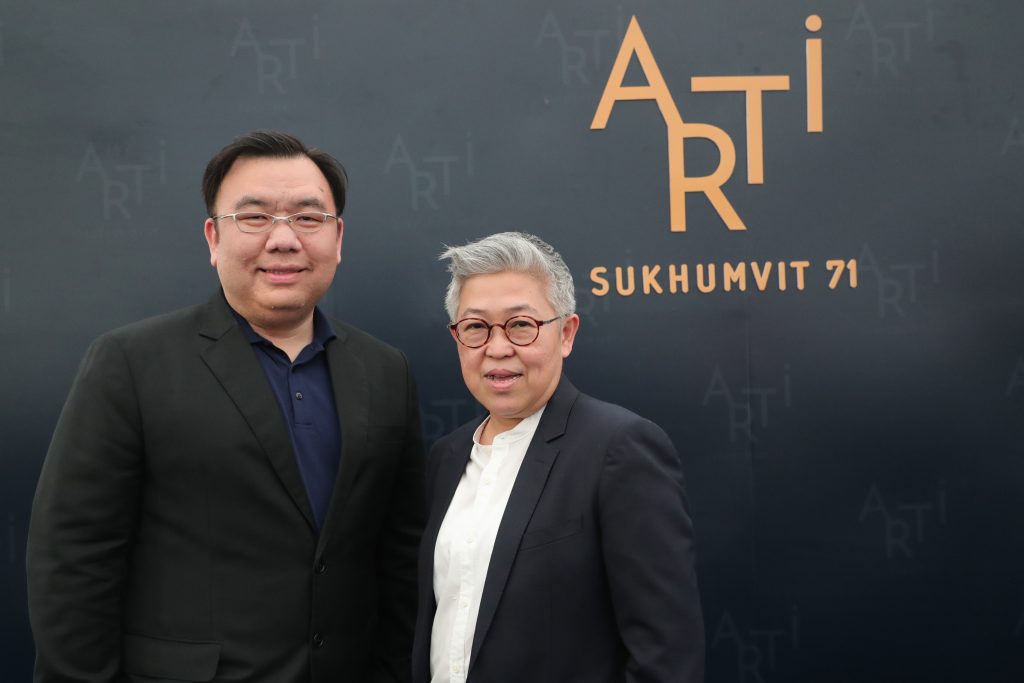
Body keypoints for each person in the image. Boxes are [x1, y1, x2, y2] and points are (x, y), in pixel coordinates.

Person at [26, 130, 424, 683]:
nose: (283, 239)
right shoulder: (132, 363)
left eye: (308, 218)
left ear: (338, 238)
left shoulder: (384, 371)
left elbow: (402, 556)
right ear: (214, 237)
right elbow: (74, 558)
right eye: (254, 217)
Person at [412, 232, 704, 683]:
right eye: (475, 327)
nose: (497, 348)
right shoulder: (446, 458)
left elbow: (666, 655)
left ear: (566, 334)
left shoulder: (619, 449)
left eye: (521, 325)